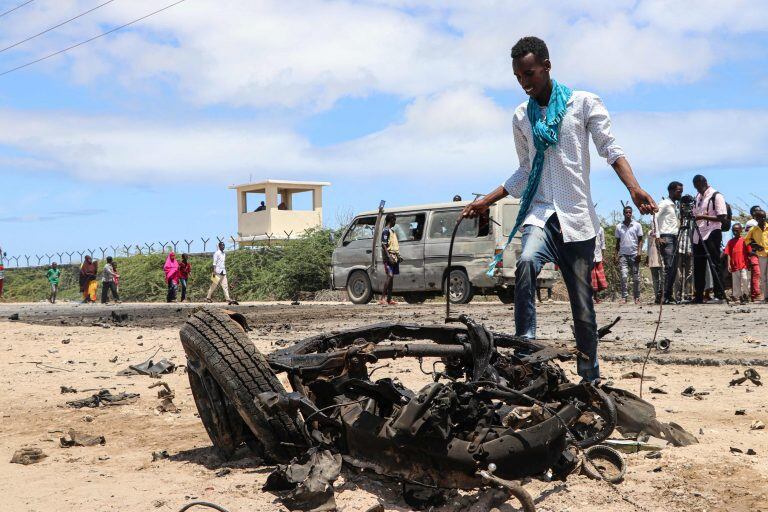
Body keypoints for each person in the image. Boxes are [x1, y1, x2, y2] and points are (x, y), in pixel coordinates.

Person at [461, 36, 656, 383]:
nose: (525, 83)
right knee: (525, 262)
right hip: (540, 212)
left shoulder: (583, 103)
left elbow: (610, 148)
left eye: (530, 74)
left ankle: (589, 377)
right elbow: (525, 170)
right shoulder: (521, 116)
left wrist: (634, 187)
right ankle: (526, 351)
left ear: (547, 67)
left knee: (582, 308)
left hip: (577, 218)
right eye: (519, 77)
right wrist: (486, 201)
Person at [691, 175, 727, 303]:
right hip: (698, 234)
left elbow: (722, 217)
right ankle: (699, 295)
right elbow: (695, 214)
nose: (698, 189)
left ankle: (719, 295)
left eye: (699, 186)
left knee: (714, 263)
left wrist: (703, 217)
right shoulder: (697, 197)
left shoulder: (716, 196)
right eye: (695, 187)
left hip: (712, 232)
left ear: (705, 182)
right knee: (698, 265)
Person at [656, 181, 682, 302]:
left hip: (675, 237)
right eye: (678, 191)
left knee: (673, 267)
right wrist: (657, 235)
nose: (680, 193)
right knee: (669, 266)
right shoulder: (664, 203)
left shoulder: (674, 205)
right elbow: (654, 217)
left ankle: (667, 295)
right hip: (666, 236)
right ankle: (663, 296)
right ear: (671, 191)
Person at [615, 206, 644, 304]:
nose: (628, 214)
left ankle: (637, 297)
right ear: (623, 213)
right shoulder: (619, 226)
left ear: (632, 213)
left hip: (634, 255)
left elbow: (640, 240)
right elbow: (617, 242)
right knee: (623, 276)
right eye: (626, 212)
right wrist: (615, 255)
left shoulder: (637, 225)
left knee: (636, 278)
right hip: (623, 255)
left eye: (630, 212)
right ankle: (624, 297)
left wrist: (639, 253)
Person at [745, 209, 768, 302]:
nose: (761, 219)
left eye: (763, 217)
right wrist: (755, 245)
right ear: (755, 218)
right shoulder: (753, 229)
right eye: (759, 217)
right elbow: (746, 240)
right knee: (763, 276)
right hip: (761, 255)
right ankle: (766, 297)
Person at [724, 223, 750, 304]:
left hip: (743, 264)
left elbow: (749, 252)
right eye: (733, 231)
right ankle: (738, 297)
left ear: (741, 230)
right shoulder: (730, 242)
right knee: (736, 282)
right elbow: (728, 253)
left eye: (737, 230)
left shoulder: (744, 241)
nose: (735, 232)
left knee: (745, 279)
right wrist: (728, 264)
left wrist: (749, 263)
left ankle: (746, 294)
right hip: (734, 265)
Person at [379, 213, 400, 305]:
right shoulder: (386, 231)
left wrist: (398, 257)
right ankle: (382, 298)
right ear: (391, 220)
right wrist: (388, 257)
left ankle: (389, 299)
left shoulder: (392, 231)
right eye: (394, 220)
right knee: (390, 275)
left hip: (394, 257)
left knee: (391, 278)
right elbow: (383, 244)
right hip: (389, 257)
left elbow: (393, 245)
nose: (395, 222)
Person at [590, 226, 608, 303]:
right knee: (590, 277)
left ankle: (596, 297)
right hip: (589, 256)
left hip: (598, 256)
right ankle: (589, 298)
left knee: (597, 278)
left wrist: (603, 256)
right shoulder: (587, 227)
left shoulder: (600, 229)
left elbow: (602, 242)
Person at [647, 226, 663, 304]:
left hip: (661, 258)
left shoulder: (662, 231)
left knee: (663, 279)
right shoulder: (649, 232)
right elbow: (648, 246)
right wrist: (648, 256)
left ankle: (662, 296)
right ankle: (657, 297)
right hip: (652, 258)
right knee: (655, 279)